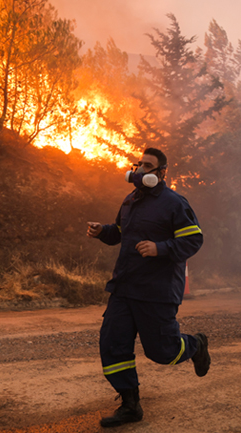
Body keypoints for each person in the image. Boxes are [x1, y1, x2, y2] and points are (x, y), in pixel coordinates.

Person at [86, 147, 210, 428]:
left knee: (163, 352)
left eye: (148, 166)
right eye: (139, 164)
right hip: (125, 287)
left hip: (157, 291)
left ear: (162, 172)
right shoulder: (131, 200)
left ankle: (196, 345)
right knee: (112, 345)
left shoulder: (174, 203)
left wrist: (160, 248)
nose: (141, 170)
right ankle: (131, 405)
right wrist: (101, 231)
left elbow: (194, 240)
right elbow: (120, 233)